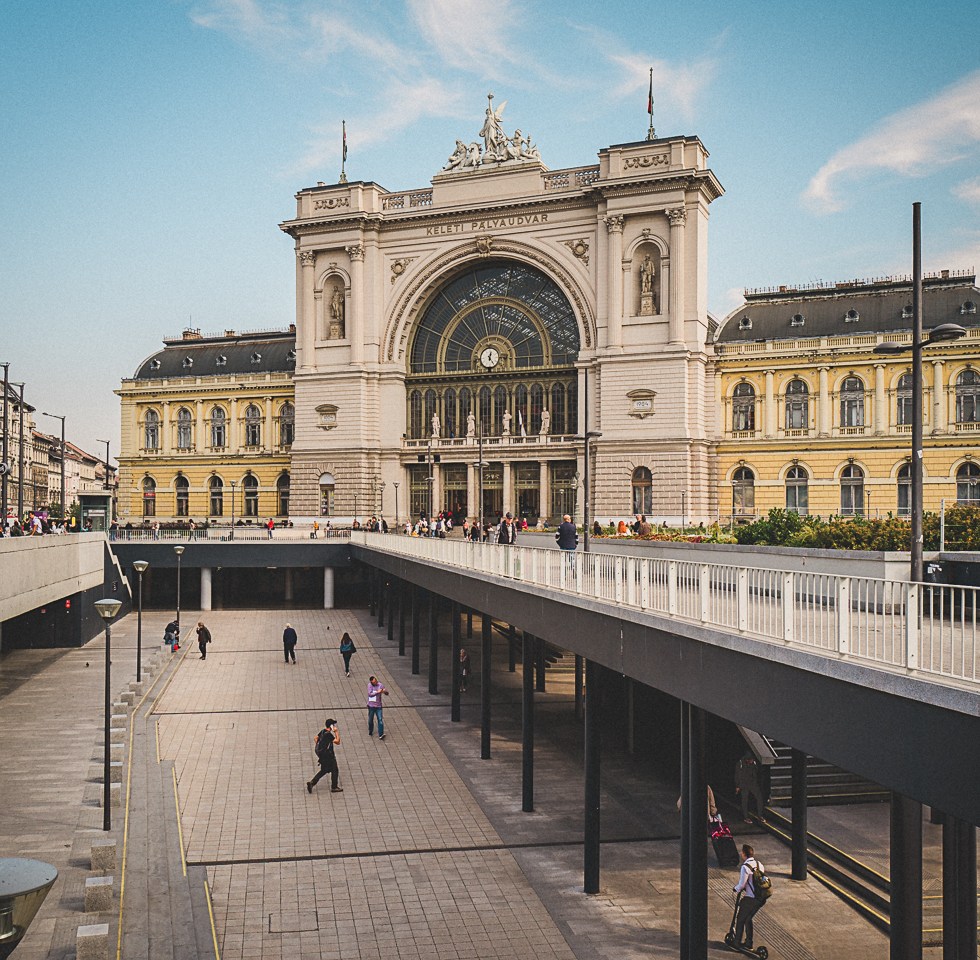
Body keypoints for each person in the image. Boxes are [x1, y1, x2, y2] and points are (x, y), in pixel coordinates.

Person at [732, 844, 766, 951]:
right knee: (748, 919)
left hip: (750, 898)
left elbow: (742, 884)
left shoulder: (745, 867)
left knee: (740, 919)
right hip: (761, 898)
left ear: (744, 854)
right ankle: (749, 943)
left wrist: (735, 889)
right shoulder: (759, 864)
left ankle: (737, 942)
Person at [307, 718, 343, 793]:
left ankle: (312, 783)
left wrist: (321, 746)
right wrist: (336, 732)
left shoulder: (323, 731)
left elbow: (315, 738)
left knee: (324, 770)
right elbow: (337, 741)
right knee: (335, 770)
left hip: (322, 756)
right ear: (331, 726)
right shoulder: (329, 735)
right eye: (333, 725)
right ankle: (334, 787)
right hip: (329, 756)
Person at [736, 754, 766, 823]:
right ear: (747, 760)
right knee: (745, 800)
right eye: (751, 761)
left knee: (759, 798)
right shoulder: (740, 763)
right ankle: (746, 817)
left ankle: (760, 815)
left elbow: (757, 773)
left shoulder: (754, 763)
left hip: (753, 783)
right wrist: (737, 786)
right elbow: (737, 774)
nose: (752, 761)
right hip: (744, 784)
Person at [367, 675, 389, 739]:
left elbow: (387, 693)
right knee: (370, 720)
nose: (376, 682)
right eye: (374, 682)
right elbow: (370, 694)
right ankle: (370, 730)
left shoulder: (380, 685)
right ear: (371, 682)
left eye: (376, 681)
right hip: (371, 706)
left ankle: (381, 734)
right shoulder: (369, 686)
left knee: (380, 719)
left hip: (378, 705)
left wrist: (385, 691)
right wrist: (377, 692)